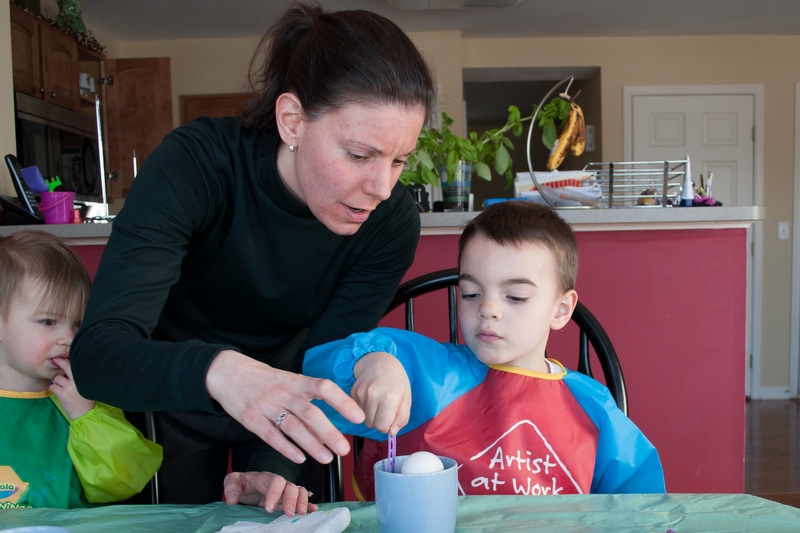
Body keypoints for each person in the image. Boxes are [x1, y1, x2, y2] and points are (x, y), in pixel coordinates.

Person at [70, 2, 438, 504]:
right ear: (292, 121)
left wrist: (272, 468)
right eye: (359, 154)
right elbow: (97, 355)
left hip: (292, 401)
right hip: (165, 395)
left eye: (398, 160)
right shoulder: (196, 165)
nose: (381, 187)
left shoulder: (390, 221)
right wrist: (222, 370)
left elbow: (324, 359)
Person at [303, 201, 666, 499]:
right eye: (471, 293)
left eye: (516, 296)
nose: (487, 309)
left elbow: (641, 504)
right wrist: (372, 363)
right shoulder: (429, 374)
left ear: (560, 310)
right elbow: (315, 382)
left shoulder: (592, 407)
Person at [0, 230, 162, 508]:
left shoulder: (87, 398)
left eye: (77, 323)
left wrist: (86, 416)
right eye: (48, 322)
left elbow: (123, 481)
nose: (69, 338)